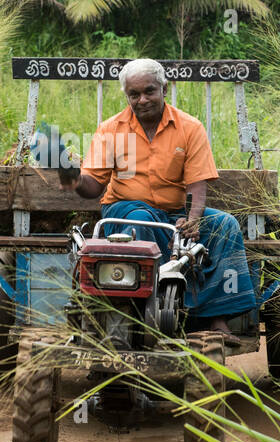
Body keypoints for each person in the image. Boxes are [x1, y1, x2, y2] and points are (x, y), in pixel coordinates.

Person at [58, 58, 257, 344]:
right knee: (141, 220)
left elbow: (196, 183)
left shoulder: (189, 127)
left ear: (164, 88)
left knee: (224, 225)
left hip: (176, 210)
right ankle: (145, 314)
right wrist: (74, 178)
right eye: (134, 94)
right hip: (126, 209)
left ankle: (215, 318)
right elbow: (94, 186)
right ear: (127, 95)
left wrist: (194, 217)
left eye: (149, 91)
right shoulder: (111, 129)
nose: (142, 100)